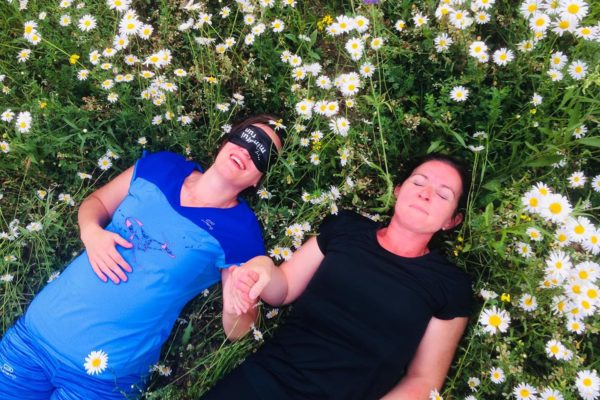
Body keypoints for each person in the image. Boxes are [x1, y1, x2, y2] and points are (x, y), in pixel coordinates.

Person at [0, 114, 284, 400]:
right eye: (246, 138)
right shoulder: (162, 166)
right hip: (32, 341)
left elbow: (239, 331)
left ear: (258, 179)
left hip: (105, 377)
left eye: (262, 153)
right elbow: (96, 202)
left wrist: (239, 306)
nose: (248, 151)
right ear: (226, 141)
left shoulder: (241, 231)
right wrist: (91, 232)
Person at [206, 154, 474, 400]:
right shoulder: (346, 228)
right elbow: (283, 290)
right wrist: (263, 268)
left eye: (443, 195)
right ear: (398, 190)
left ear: (452, 221)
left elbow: (424, 380)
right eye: (418, 182)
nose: (426, 194)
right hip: (264, 382)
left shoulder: (450, 286)